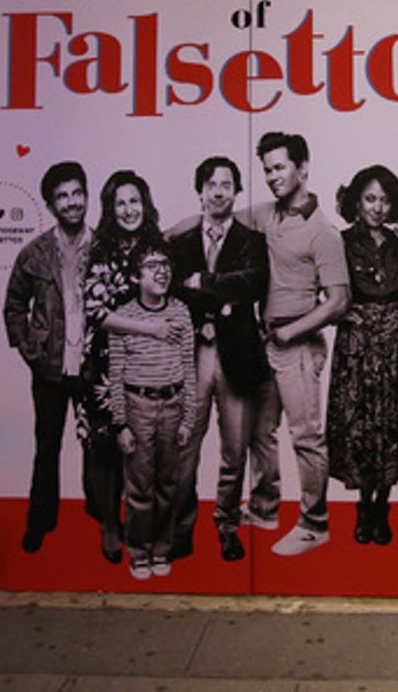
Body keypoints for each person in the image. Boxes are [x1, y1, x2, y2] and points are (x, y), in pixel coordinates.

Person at [243, 131, 350, 556]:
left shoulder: (323, 232)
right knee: (260, 431)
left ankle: (314, 523)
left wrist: (292, 331)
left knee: (305, 436)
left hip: (298, 344)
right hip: (265, 339)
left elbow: (339, 301)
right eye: (267, 169)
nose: (272, 177)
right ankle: (265, 509)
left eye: (280, 167)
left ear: (303, 167)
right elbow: (214, 221)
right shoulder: (266, 215)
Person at [166, 155, 270, 563]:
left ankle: (227, 526)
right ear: (200, 190)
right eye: (211, 184)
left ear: (237, 191)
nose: (218, 191)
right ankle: (182, 528)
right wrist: (222, 297)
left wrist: (204, 283)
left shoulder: (251, 240)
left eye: (226, 184)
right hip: (193, 353)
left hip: (236, 355)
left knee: (234, 449)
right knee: (184, 446)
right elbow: (174, 290)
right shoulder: (181, 243)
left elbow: (254, 283)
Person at [2, 160, 92, 554]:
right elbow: (13, 305)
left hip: (93, 367)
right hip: (50, 368)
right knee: (47, 447)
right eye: (62, 197)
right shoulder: (34, 253)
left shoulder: (105, 245)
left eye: (77, 193)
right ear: (52, 205)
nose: (71, 203)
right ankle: (40, 522)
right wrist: (29, 349)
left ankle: (103, 521)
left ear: (87, 196)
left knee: (99, 449)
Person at [77, 169, 165, 564]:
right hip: (104, 363)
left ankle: (138, 524)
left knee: (143, 445)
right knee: (103, 444)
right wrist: (146, 325)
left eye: (135, 201)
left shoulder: (157, 248)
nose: (129, 210)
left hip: (147, 364)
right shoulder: (99, 251)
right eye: (121, 203)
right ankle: (108, 524)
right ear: (111, 210)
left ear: (144, 205)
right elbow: (97, 313)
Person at [326, 165, 398, 545]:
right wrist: (349, 315)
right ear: (356, 202)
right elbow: (323, 293)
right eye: (370, 198)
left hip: (396, 342)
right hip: (357, 346)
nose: (378, 207)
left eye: (385, 199)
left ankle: (384, 503)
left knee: (392, 422)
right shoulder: (339, 242)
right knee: (360, 425)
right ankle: (364, 504)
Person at [107, 239, 196, 580]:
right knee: (140, 488)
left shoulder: (181, 313)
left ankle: (162, 548)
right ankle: (139, 552)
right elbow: (115, 373)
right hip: (138, 407)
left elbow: (189, 367)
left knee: (168, 484)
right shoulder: (123, 318)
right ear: (135, 276)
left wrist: (188, 417)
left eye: (166, 265)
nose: (162, 271)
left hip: (172, 406)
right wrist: (121, 424)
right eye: (152, 265)